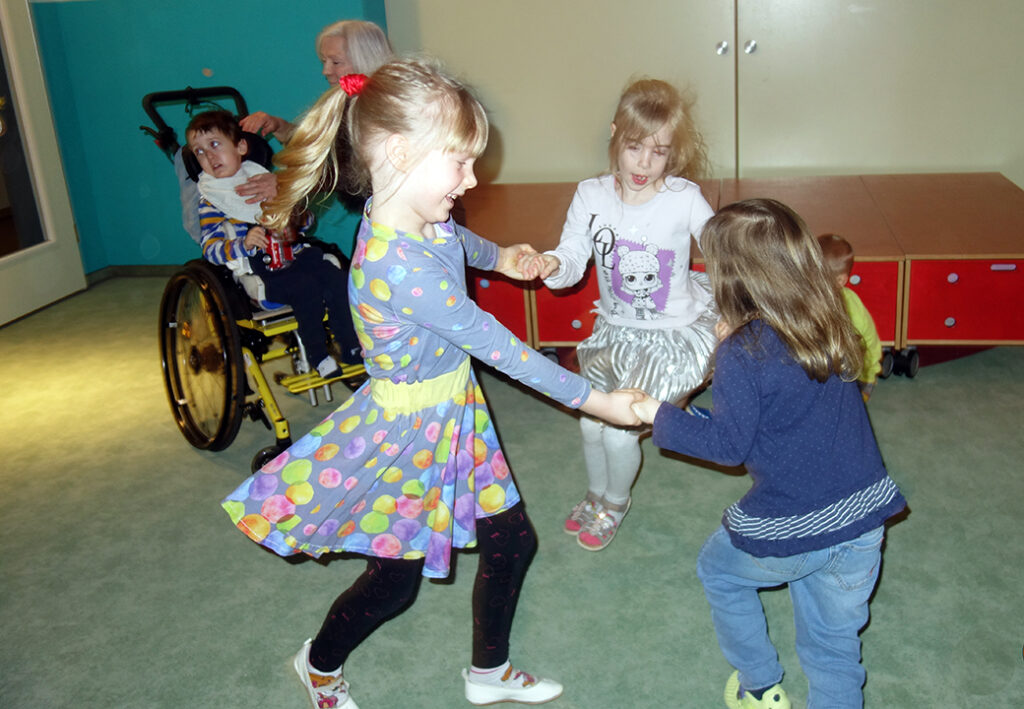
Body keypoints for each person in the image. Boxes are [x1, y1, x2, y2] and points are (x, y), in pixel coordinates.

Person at [221, 59, 641, 709]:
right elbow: (500, 347)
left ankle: (488, 672)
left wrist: (501, 257)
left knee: (513, 542)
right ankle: (319, 664)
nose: (472, 178)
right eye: (461, 162)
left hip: (453, 409)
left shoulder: (414, 216)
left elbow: (455, 238)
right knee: (396, 580)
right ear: (398, 152)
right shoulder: (398, 268)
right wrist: (599, 401)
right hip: (407, 435)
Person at [627, 199, 907, 709]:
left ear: (733, 279)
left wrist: (656, 413)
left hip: (795, 521)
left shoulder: (744, 352)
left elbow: (728, 446)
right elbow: (777, 413)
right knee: (834, 647)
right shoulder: (829, 317)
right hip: (864, 518)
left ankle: (759, 686)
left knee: (719, 571)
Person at [518, 78, 717, 551]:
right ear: (614, 135)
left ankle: (615, 502)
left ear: (673, 151)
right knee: (591, 423)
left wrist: (742, 300)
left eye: (659, 152)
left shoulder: (684, 197)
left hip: (671, 337)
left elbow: (723, 250)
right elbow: (571, 256)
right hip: (615, 335)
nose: (644, 164)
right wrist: (552, 264)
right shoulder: (591, 195)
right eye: (634, 148)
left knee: (621, 435)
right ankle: (596, 495)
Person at [184, 109, 362, 376]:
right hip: (263, 270)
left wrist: (294, 217)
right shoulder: (212, 199)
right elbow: (210, 248)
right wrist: (243, 243)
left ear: (241, 147)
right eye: (199, 151)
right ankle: (318, 354)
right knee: (305, 287)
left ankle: (350, 345)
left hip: (296, 254)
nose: (209, 156)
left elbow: (307, 222)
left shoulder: (262, 179)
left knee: (338, 279)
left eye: (215, 144)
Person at [240, 20, 393, 144]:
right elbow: (312, 142)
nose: (326, 71)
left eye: (336, 62)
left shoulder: (387, 111)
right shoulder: (337, 104)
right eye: (324, 61)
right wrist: (278, 125)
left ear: (365, 60)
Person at [817, 233, 882, 400]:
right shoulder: (812, 299)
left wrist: (868, 375)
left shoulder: (852, 309)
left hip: (855, 372)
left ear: (841, 280)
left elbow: (867, 344)